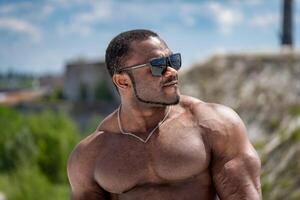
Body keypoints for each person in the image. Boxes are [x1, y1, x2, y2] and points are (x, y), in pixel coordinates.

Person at [67, 29, 262, 200]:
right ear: (122, 81)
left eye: (173, 61)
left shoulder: (216, 125)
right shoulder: (90, 155)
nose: (171, 72)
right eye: (158, 65)